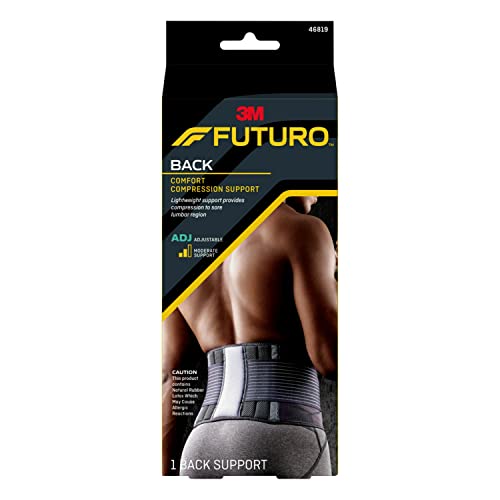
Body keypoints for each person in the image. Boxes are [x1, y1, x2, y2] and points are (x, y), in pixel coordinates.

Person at [162, 196, 338, 478]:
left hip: (202, 445)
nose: (318, 193)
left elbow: (172, 377)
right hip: (280, 439)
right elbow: (331, 359)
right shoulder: (303, 230)